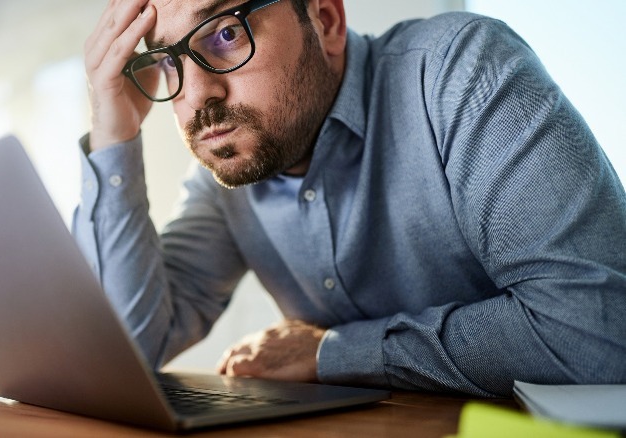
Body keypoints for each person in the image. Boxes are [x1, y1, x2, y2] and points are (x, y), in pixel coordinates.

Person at [73, 0, 626, 397]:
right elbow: (123, 355)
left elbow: (595, 332)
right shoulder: (230, 177)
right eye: (168, 61)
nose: (197, 97)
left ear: (326, 20)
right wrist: (111, 135)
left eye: (225, 34)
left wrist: (333, 353)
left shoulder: (460, 71)